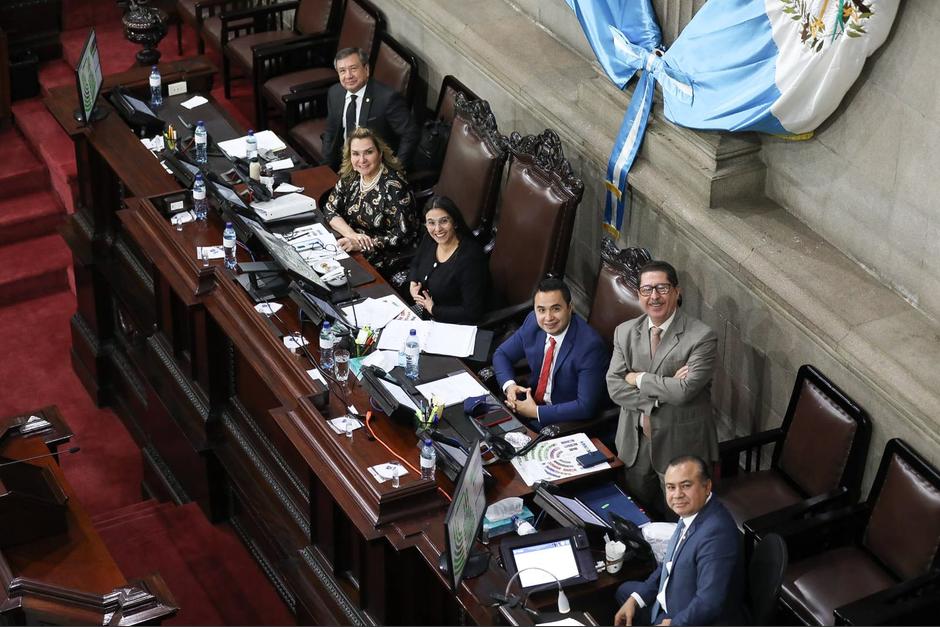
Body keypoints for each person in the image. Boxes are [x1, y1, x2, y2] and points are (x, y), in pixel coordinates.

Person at [607, 260, 718, 516]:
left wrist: (639, 378)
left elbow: (685, 391)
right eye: (647, 290)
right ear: (639, 295)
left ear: (677, 291)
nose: (654, 296)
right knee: (638, 515)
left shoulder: (701, 336)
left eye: (662, 288)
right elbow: (614, 386)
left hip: (681, 447)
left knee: (679, 520)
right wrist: (656, 398)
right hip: (636, 442)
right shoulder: (625, 332)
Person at [613, 456, 742, 626]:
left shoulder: (716, 535)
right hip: (673, 596)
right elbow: (669, 564)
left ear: (707, 486)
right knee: (625, 593)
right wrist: (636, 599)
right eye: (671, 487)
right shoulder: (691, 511)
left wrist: (674, 624)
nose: (677, 495)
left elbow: (708, 603)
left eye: (686, 486)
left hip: (687, 617)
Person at [492, 277, 609, 426]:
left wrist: (536, 412)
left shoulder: (590, 347)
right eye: (541, 310)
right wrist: (510, 386)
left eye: (556, 309)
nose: (548, 318)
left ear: (570, 307)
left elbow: (586, 407)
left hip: (563, 422)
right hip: (529, 402)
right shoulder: (532, 323)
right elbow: (502, 354)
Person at [322, 127, 417, 272]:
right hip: (353, 244)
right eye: (356, 154)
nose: (362, 160)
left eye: (368, 152)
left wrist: (364, 244)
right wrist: (352, 235)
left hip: (385, 255)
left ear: (380, 154)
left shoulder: (395, 187)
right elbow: (330, 208)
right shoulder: (351, 177)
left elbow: (402, 236)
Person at [320, 47, 419, 171]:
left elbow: (410, 134)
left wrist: (396, 170)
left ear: (366, 69)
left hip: (374, 168)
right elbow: (330, 131)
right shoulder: (335, 93)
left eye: (353, 69)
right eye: (342, 71)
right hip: (344, 164)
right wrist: (325, 167)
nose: (348, 76)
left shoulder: (387, 98)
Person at [407, 196, 488, 324]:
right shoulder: (429, 239)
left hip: (451, 324)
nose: (437, 229)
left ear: (455, 222)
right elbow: (416, 263)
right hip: (424, 313)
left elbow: (472, 312)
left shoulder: (470, 258)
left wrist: (434, 309)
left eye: (444, 221)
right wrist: (413, 281)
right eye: (431, 223)